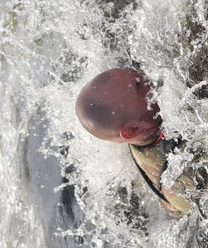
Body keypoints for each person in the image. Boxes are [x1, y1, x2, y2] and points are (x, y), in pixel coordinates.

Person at [75, 68, 193, 216]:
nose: (150, 77)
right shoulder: (181, 168)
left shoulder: (146, 130)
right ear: (131, 130)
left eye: (136, 72)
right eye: (140, 86)